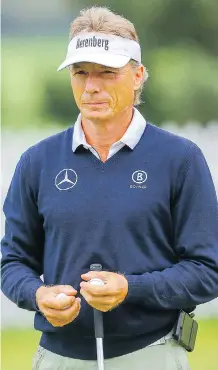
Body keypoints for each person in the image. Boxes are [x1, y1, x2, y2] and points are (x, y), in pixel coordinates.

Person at [1, 6, 218, 370]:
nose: (91, 86)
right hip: (58, 358)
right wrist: (38, 295)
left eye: (107, 72)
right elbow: (12, 262)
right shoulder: (37, 162)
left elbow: (207, 271)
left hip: (153, 353)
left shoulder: (180, 159)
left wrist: (130, 289)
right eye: (80, 72)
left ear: (137, 76)